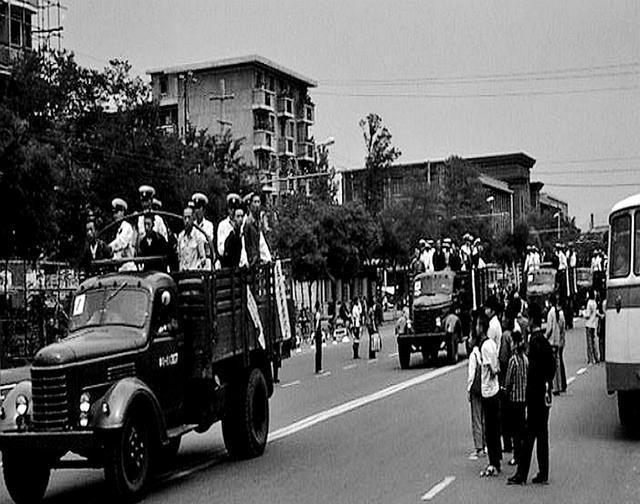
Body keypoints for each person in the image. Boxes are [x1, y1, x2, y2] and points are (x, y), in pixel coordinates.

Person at [508, 303, 556, 485]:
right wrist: (547, 383)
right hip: (545, 394)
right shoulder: (544, 342)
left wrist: (530, 393)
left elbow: (532, 373)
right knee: (542, 435)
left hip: (535, 396)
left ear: (532, 321)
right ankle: (543, 472)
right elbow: (551, 368)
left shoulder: (534, 344)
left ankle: (521, 474)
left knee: (528, 437)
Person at [478, 312, 502, 477]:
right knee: (495, 427)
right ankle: (497, 458)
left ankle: (493, 462)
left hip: (488, 391)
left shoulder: (485, 346)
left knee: (490, 429)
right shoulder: (492, 344)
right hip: (495, 389)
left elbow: (491, 369)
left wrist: (492, 370)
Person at [504, 330, 528, 468]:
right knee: (522, 428)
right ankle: (522, 454)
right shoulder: (525, 359)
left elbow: (508, 381)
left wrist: (506, 392)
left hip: (514, 399)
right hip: (523, 398)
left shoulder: (513, 360)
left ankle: (516, 456)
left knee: (515, 430)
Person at [467, 329, 485, 460]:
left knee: (476, 418)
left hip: (476, 390)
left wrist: (468, 390)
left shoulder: (473, 355)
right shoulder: (483, 352)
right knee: (484, 418)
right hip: (484, 388)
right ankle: (484, 445)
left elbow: (471, 376)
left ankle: (479, 447)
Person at [108, 198, 136, 271]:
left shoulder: (127, 227)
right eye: (114, 213)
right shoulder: (118, 229)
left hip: (128, 267)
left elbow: (121, 242)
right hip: (120, 267)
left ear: (123, 212)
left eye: (117, 212)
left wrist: (110, 247)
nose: (115, 215)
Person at [177, 206, 207, 271]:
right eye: (185, 218)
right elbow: (179, 258)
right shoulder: (180, 237)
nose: (187, 221)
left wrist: (198, 266)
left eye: (189, 217)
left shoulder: (198, 236)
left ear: (193, 219)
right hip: (183, 274)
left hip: (194, 274)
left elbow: (203, 258)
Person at [554, 301, 567, 394]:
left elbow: (560, 328)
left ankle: (561, 384)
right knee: (560, 362)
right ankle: (562, 383)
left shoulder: (559, 316)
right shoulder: (560, 315)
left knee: (559, 363)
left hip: (559, 341)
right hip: (561, 341)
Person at [584, 290, 599, 364]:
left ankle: (590, 359)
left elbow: (588, 315)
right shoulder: (594, 303)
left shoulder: (589, 303)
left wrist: (584, 313)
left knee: (589, 342)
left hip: (588, 324)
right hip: (593, 324)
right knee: (593, 341)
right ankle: (596, 357)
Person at [314, 301, 323, 374]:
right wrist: (316, 332)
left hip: (317, 333)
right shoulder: (318, 314)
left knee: (318, 350)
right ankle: (318, 367)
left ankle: (318, 367)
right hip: (318, 333)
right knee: (319, 351)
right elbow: (317, 325)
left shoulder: (316, 314)